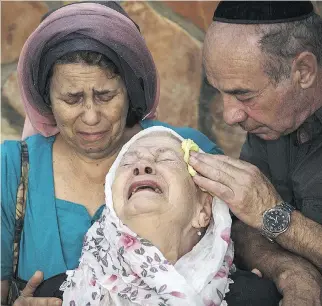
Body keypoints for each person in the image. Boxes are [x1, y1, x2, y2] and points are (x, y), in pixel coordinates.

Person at [0, 2, 222, 305]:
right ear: (46, 99)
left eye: (106, 96)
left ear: (130, 90)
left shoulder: (186, 152)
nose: (91, 117)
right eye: (71, 98)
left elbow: (246, 255)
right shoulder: (12, 169)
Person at [189, 1, 322, 306]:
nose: (230, 116)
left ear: (303, 71)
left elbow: (261, 214)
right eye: (219, 91)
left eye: (243, 94)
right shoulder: (270, 123)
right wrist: (291, 270)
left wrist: (277, 218)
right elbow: (243, 228)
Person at [61, 127, 234, 306]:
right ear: (111, 208)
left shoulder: (254, 297)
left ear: (204, 210)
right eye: (127, 163)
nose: (142, 166)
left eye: (166, 159)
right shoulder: (53, 297)